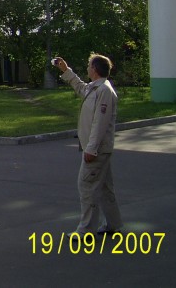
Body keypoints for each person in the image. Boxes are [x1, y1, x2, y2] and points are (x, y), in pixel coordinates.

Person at [53, 54, 123, 236]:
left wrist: (91, 149)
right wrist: (65, 70)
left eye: (88, 65)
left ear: (95, 69)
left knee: (87, 186)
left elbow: (100, 123)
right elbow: (81, 88)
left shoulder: (105, 91)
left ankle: (86, 230)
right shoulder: (95, 88)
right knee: (105, 188)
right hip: (97, 149)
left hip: (97, 150)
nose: (87, 68)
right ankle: (113, 224)